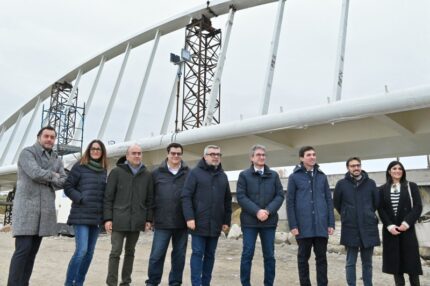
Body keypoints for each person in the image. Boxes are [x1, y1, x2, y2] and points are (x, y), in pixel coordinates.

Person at [7, 126, 67, 286]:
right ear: (39, 137)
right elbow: (34, 172)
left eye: (52, 137)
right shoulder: (27, 153)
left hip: (44, 213)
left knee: (32, 253)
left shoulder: (56, 158)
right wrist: (53, 175)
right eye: (46, 136)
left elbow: (64, 180)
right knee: (23, 251)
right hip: (26, 211)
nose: (49, 139)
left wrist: (49, 177)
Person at [181, 145, 232, 286]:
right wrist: (189, 217)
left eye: (218, 154)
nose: (216, 156)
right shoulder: (195, 173)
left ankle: (206, 283)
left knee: (210, 255)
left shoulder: (223, 176)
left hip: (215, 223)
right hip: (198, 223)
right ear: (205, 156)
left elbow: (227, 200)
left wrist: (226, 221)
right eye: (212, 154)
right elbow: (186, 196)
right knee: (197, 254)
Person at [104, 144, 153, 286]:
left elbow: (150, 199)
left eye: (139, 153)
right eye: (134, 153)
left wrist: (148, 219)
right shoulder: (116, 172)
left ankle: (126, 282)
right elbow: (108, 197)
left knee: (130, 252)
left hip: (137, 220)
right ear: (127, 156)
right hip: (119, 220)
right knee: (115, 252)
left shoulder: (147, 175)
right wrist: (108, 218)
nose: (137, 156)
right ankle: (111, 283)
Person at [286, 146, 335, 286]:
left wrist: (331, 223)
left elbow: (328, 200)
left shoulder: (322, 176)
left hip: (321, 226)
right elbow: (290, 203)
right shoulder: (294, 177)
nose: (312, 157)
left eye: (314, 154)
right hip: (303, 226)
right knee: (302, 259)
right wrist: (293, 225)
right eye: (309, 155)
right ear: (301, 158)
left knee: (321, 259)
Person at [236, 144, 284, 286]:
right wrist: (257, 211)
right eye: (258, 155)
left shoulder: (273, 175)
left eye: (264, 155)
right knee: (247, 254)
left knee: (269, 256)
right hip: (249, 222)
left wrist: (268, 211)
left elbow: (280, 196)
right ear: (252, 158)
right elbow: (241, 197)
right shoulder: (244, 175)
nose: (262, 157)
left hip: (269, 222)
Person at [63, 139, 108, 286]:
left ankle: (79, 283)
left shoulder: (103, 170)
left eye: (98, 149)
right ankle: (69, 283)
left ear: (102, 153)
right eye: (93, 148)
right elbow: (68, 186)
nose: (95, 151)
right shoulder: (79, 167)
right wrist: (80, 198)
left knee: (89, 253)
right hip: (81, 214)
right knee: (81, 251)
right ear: (89, 150)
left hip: (95, 217)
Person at [146, 143, 189, 286]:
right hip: (162, 222)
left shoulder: (188, 173)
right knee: (156, 256)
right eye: (173, 153)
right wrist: (149, 218)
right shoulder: (156, 173)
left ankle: (175, 283)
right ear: (167, 154)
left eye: (178, 153)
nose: (176, 156)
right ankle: (152, 282)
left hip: (182, 223)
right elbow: (150, 197)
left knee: (179, 256)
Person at [333, 157, 380, 286]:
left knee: (368, 263)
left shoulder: (370, 183)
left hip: (368, 227)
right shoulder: (341, 184)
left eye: (358, 165)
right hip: (350, 227)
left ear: (361, 166)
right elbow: (337, 203)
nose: (356, 168)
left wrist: (368, 213)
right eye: (353, 166)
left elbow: (376, 203)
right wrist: (347, 214)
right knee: (350, 262)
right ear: (348, 168)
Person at [378, 160, 423, 286]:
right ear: (389, 171)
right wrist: (389, 225)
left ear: (403, 171)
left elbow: (418, 207)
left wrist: (406, 223)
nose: (397, 171)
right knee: (396, 268)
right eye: (394, 168)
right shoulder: (382, 189)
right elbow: (380, 209)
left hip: (408, 231)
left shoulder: (411, 186)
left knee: (412, 267)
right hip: (391, 232)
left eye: (400, 168)